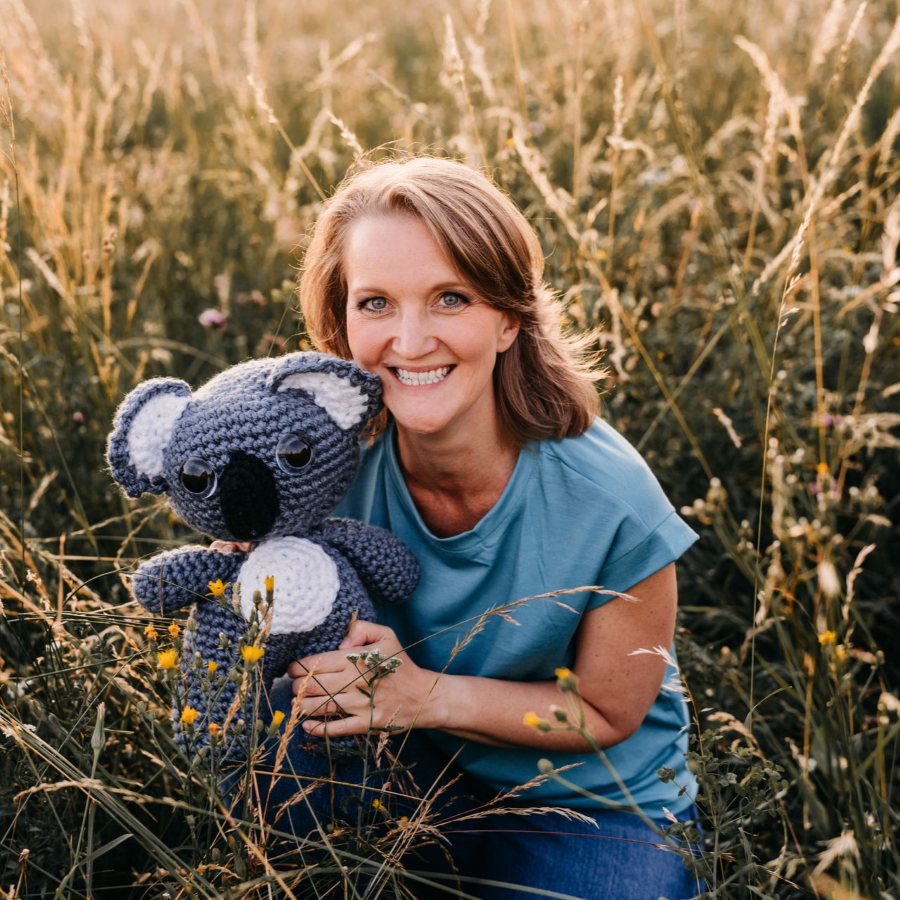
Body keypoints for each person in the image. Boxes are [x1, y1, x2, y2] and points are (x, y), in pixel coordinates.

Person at [264, 156, 703, 898]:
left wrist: (421, 696)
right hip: (405, 768)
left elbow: (606, 711)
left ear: (508, 319)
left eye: (449, 298)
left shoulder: (610, 499)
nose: (409, 339)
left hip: (587, 805)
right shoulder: (316, 466)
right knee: (275, 718)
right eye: (375, 303)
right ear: (340, 321)